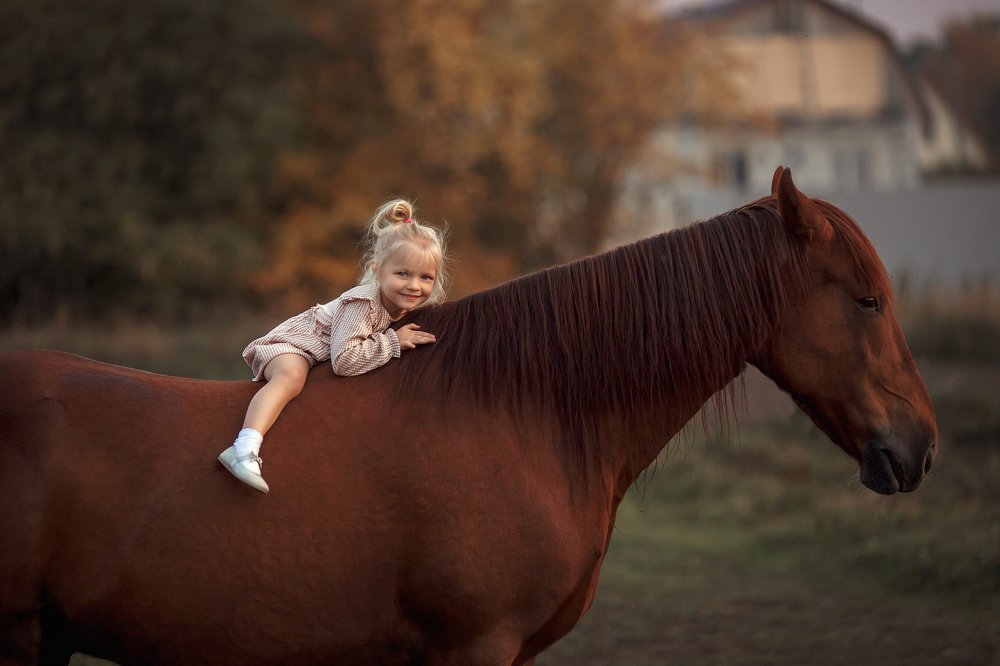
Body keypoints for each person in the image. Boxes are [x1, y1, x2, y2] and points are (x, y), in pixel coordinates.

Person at [218, 199, 448, 493]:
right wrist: (393, 341)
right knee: (292, 377)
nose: (414, 286)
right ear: (377, 270)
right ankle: (244, 447)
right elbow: (344, 360)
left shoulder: (402, 309)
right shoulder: (364, 302)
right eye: (402, 274)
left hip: (317, 354)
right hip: (293, 344)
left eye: (425, 277)